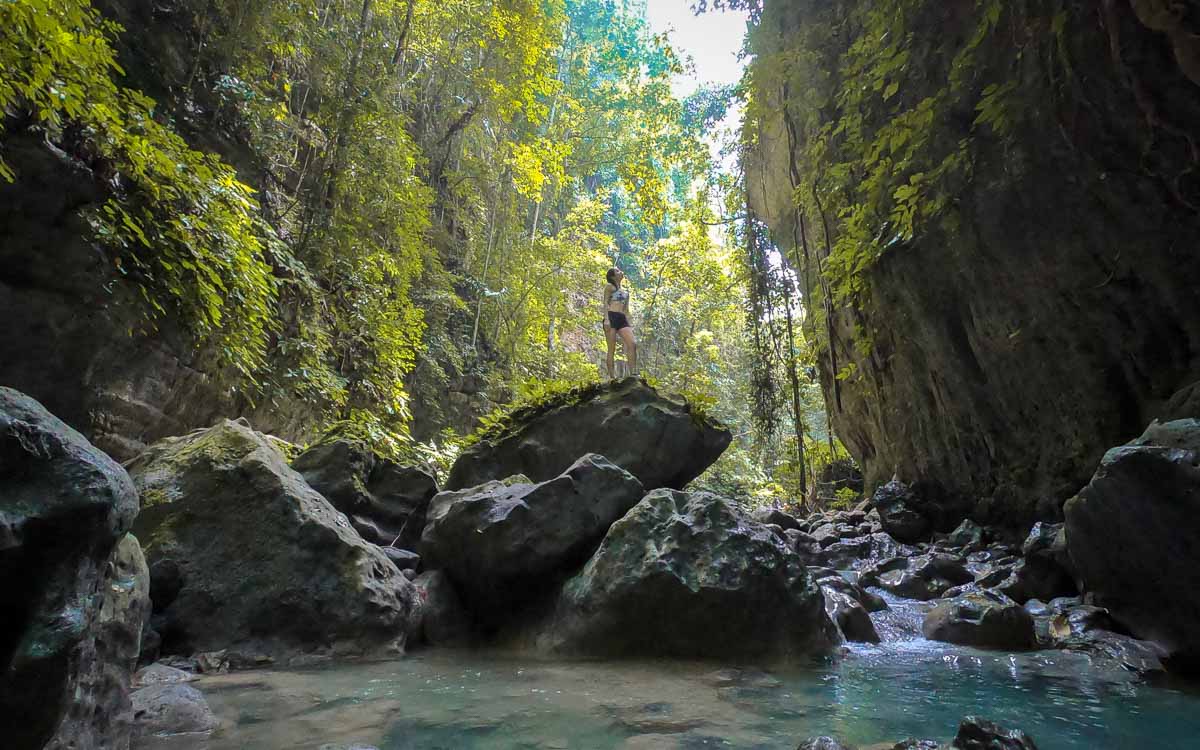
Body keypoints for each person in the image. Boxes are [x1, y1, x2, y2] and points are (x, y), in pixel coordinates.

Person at [602, 267, 636, 378]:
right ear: (612, 276)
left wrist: (630, 323)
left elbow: (626, 310)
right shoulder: (610, 287)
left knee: (632, 344)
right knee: (611, 348)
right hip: (611, 316)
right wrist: (606, 319)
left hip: (622, 318)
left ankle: (633, 373)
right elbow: (605, 303)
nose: (620, 271)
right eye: (617, 271)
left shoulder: (626, 292)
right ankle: (612, 377)